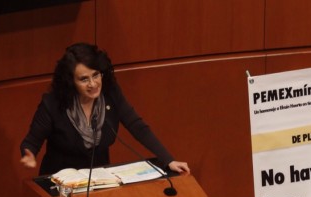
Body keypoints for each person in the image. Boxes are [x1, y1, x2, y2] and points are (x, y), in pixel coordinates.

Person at [20, 42, 190, 177]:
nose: (93, 84)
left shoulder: (110, 93)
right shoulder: (53, 104)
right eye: (84, 79)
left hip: (99, 179)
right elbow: (31, 142)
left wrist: (168, 160)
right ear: (70, 81)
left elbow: (137, 126)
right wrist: (29, 154)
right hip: (60, 181)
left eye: (96, 75)